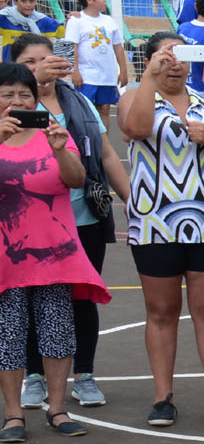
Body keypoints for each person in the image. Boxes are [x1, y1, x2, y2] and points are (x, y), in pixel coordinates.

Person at [120, 30, 204, 429]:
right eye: (165, 56)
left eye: (180, 55)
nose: (174, 63)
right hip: (154, 221)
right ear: (150, 60)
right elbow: (136, 129)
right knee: (161, 312)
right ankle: (163, 398)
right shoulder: (134, 96)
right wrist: (149, 77)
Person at [14, 35, 127, 415]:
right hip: (29, 223)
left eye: (46, 59)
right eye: (29, 62)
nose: (40, 67)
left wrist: (132, 201)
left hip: (81, 218)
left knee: (81, 299)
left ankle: (84, 374)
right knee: (30, 300)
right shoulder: (12, 107)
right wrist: (32, 86)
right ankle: (34, 376)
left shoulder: (78, 102)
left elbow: (106, 155)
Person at [0, 60, 107, 443]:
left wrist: (60, 149)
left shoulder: (51, 131)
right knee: (9, 336)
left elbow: (76, 179)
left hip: (54, 252)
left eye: (24, 95)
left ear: (36, 99)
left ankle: (58, 409)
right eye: (7, 95)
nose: (17, 101)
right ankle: (13, 415)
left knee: (58, 331)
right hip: (7, 255)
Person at [62, 0, 130, 122]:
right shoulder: (76, 20)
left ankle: (103, 136)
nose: (105, 0)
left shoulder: (109, 21)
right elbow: (72, 47)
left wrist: (123, 71)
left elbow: (118, 47)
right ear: (89, 0)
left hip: (107, 75)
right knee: (85, 109)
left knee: (105, 108)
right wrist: (74, 71)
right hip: (87, 75)